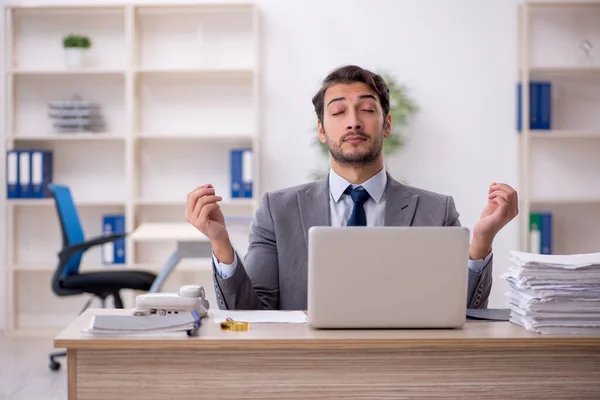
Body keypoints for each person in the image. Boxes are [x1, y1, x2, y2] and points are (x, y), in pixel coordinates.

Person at [185, 65, 518, 311]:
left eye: (367, 109)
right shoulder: (278, 210)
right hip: (307, 370)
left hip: (404, 368)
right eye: (339, 111)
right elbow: (250, 314)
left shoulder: (436, 210)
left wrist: (483, 240)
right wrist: (221, 243)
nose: (354, 121)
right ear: (322, 130)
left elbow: (463, 311)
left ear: (386, 124)